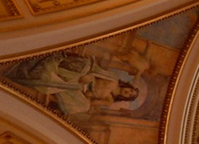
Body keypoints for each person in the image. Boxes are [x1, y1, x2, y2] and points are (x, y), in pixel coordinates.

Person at [9, 53, 138, 115]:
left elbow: (91, 102)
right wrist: (89, 76)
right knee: (84, 66)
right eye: (131, 90)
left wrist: (89, 95)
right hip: (84, 77)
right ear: (128, 86)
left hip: (80, 90)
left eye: (130, 95)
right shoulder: (114, 79)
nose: (128, 92)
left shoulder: (109, 100)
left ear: (125, 98)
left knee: (84, 106)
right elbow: (97, 71)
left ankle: (55, 95)